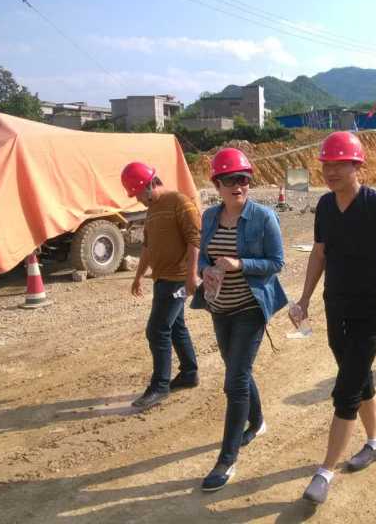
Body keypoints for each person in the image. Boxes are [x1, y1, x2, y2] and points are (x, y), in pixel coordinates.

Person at [297, 131, 376, 505]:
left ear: (357, 165)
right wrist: (304, 299)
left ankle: (325, 472)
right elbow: (319, 254)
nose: (330, 171)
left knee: (347, 388)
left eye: (339, 164)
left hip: (371, 311)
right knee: (358, 376)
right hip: (337, 308)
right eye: (326, 165)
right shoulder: (325, 206)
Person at [197, 147, 288, 492]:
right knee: (239, 371)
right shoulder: (210, 217)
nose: (238, 185)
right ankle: (258, 421)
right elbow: (202, 258)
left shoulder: (263, 217)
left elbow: (276, 262)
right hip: (219, 309)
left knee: (234, 382)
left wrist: (241, 264)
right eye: (230, 180)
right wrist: (204, 271)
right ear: (217, 185)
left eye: (243, 179)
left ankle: (227, 460)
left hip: (250, 308)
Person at [121, 162, 201, 410]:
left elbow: (195, 239)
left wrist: (191, 276)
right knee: (175, 327)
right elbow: (147, 247)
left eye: (137, 194)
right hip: (161, 278)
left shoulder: (180, 202)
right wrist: (138, 276)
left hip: (177, 278)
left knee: (157, 330)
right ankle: (189, 373)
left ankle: (160, 386)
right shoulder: (153, 210)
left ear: (148, 185)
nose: (137, 199)